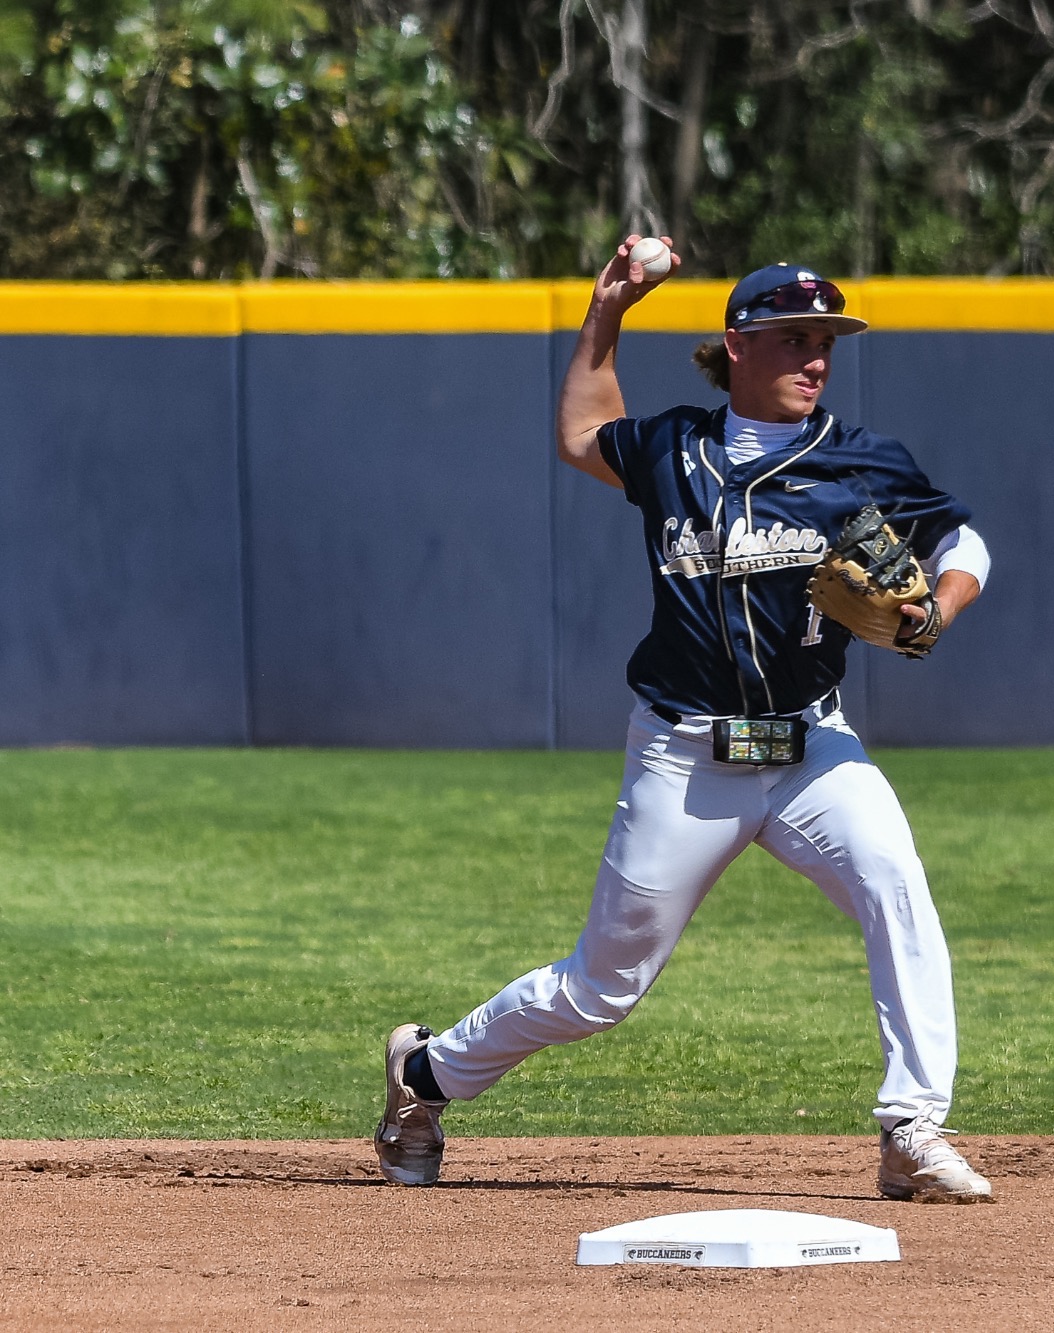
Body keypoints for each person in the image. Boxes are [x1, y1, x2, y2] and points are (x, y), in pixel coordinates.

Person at [372, 239, 995, 1203]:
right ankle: (424, 1075)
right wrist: (606, 312)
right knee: (599, 990)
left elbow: (963, 538)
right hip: (684, 756)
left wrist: (940, 608)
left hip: (811, 748)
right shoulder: (673, 451)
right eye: (795, 338)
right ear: (737, 347)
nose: (817, 356)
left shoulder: (858, 462)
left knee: (898, 889)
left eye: (827, 339)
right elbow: (584, 435)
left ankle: (912, 1128)